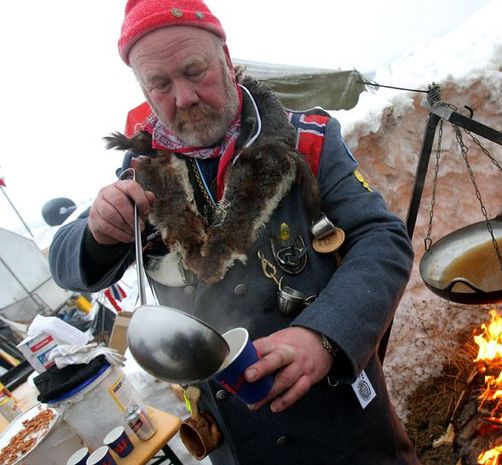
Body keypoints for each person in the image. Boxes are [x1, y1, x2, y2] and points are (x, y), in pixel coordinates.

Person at [49, 0, 420, 464]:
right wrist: (97, 233)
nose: (182, 97)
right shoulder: (140, 178)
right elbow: (65, 261)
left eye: (194, 70)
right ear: (144, 89)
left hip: (348, 431)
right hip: (241, 447)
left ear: (226, 60)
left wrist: (322, 335)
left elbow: (382, 241)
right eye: (160, 84)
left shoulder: (307, 140)